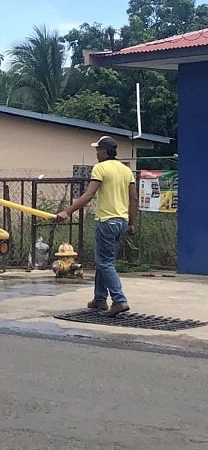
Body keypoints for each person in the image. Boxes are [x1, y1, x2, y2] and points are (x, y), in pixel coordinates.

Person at [54, 135, 138, 316]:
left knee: (105, 263)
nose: (96, 153)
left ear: (104, 151)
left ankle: (119, 300)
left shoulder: (100, 168)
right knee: (104, 261)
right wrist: (131, 223)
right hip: (121, 222)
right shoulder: (126, 170)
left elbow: (89, 195)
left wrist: (67, 212)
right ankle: (100, 299)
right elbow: (133, 198)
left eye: (98, 150)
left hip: (107, 221)